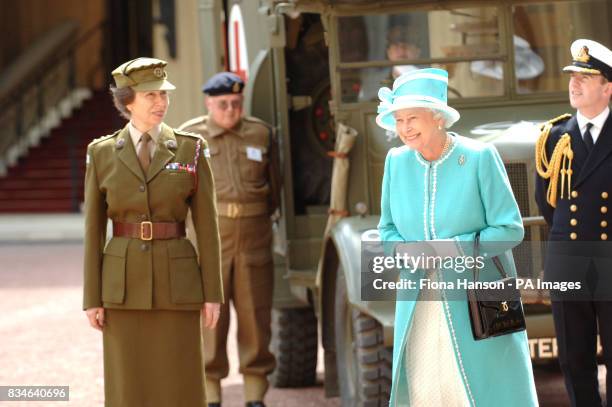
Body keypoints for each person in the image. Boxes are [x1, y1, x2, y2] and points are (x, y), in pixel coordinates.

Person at [376, 68, 538, 406]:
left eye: (412, 118)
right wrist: (404, 251)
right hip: (419, 301)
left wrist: (450, 249)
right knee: (426, 392)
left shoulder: (479, 157)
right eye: (399, 119)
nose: (404, 128)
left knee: (485, 392)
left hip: (482, 295)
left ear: (437, 117)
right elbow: (387, 228)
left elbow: (510, 229)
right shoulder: (396, 162)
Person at [82, 57, 224, 406]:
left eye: (164, 94)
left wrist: (213, 293)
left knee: (182, 383)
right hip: (122, 287)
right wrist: (92, 298)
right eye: (151, 95)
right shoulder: (100, 153)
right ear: (128, 100)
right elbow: (93, 232)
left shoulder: (191, 149)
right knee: (128, 384)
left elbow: (207, 226)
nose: (161, 102)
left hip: (178, 285)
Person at [179, 72, 281, 407]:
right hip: (210, 239)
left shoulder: (261, 133)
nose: (230, 110)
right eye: (222, 104)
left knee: (256, 317)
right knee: (210, 319)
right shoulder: (190, 138)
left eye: (236, 103)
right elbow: (179, 193)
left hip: (254, 238)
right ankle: (210, 394)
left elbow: (275, 188)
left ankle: (254, 395)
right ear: (209, 103)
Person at [535, 39, 612, 406]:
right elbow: (547, 205)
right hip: (569, 259)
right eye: (572, 76)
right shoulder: (554, 137)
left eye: (585, 76)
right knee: (573, 356)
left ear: (608, 87)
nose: (574, 83)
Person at [360, 25, 422, 101]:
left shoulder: (429, 79)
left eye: (407, 44)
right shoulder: (373, 82)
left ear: (418, 51)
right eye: (396, 45)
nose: (401, 49)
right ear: (388, 52)